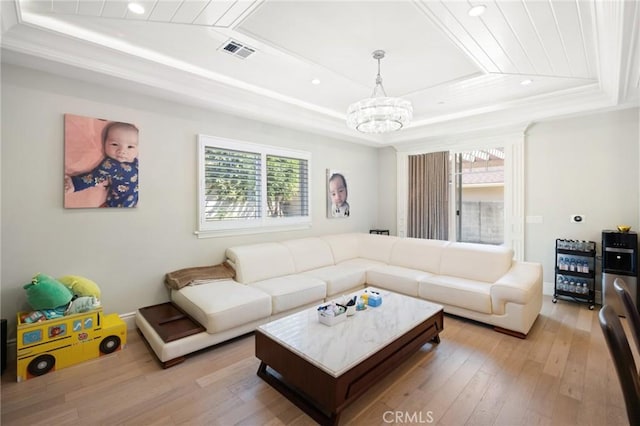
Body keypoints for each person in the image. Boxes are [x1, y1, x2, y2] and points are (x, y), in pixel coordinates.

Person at [65, 121, 139, 207]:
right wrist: (74, 185)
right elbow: (94, 178)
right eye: (114, 144)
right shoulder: (111, 165)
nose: (122, 151)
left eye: (130, 147)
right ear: (105, 143)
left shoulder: (136, 162)